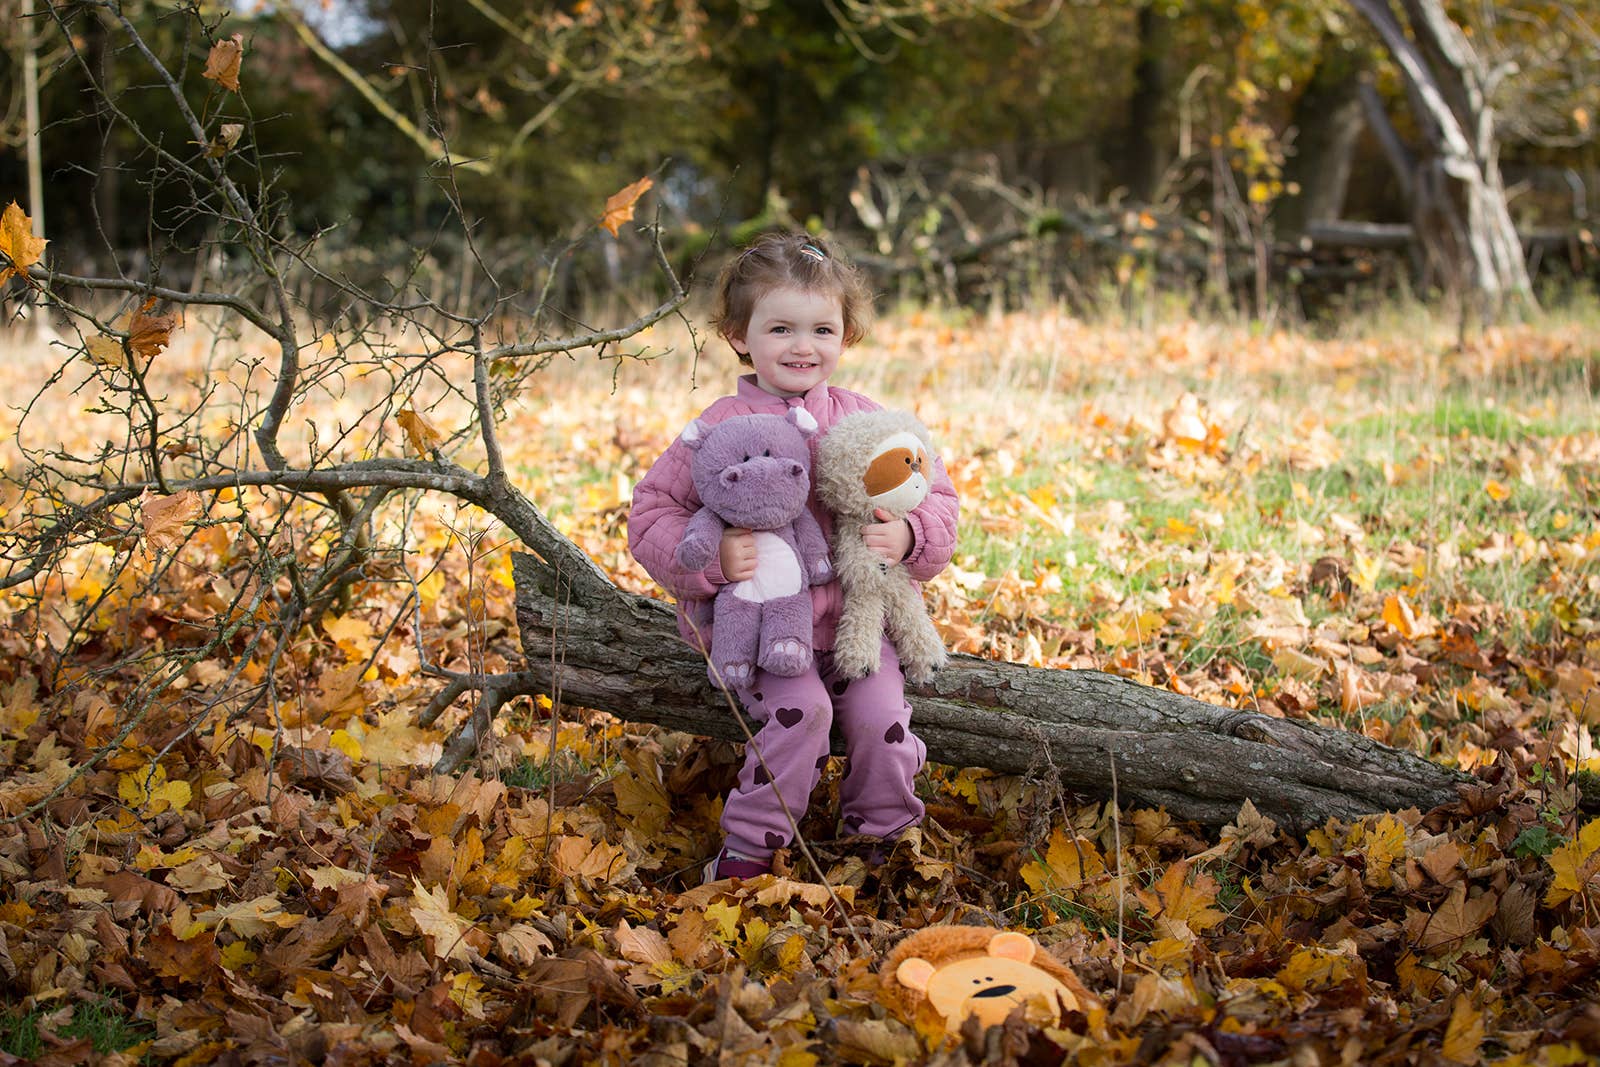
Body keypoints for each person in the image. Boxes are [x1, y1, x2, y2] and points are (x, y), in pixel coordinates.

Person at [627, 232, 959, 881]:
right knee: (801, 713)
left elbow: (938, 494)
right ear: (738, 335)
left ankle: (884, 834)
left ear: (848, 334)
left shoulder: (869, 421)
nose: (803, 346)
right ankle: (751, 847)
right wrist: (715, 557)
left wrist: (912, 535)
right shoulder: (718, 426)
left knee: (881, 715)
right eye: (780, 328)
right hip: (761, 629)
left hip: (859, 626)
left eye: (822, 329)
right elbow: (651, 514)